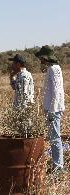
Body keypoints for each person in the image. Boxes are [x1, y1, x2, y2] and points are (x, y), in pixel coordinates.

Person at [35, 45, 65, 173]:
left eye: (41, 57)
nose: (40, 60)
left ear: (46, 58)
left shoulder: (53, 69)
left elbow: (57, 91)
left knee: (55, 138)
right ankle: (56, 165)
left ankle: (58, 167)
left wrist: (52, 110)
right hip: (52, 108)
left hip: (54, 109)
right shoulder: (51, 69)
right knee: (53, 137)